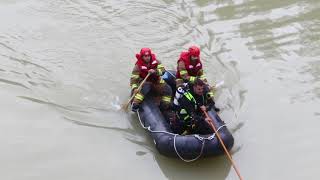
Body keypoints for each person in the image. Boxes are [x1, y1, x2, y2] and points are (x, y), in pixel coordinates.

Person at [175, 45, 219, 112]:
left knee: (206, 89)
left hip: (194, 78)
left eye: (196, 57)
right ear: (190, 55)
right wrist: (196, 80)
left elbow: (201, 73)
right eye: (194, 56)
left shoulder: (198, 62)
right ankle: (177, 104)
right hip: (181, 79)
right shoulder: (182, 61)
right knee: (180, 90)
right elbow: (184, 76)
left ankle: (212, 104)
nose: (195, 58)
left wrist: (205, 82)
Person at [130, 48, 172, 112]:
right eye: (145, 56)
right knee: (144, 89)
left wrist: (155, 71)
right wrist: (135, 88)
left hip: (156, 80)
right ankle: (135, 104)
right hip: (145, 81)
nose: (147, 58)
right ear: (142, 56)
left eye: (148, 56)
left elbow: (163, 71)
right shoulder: (138, 66)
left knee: (168, 90)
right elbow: (133, 79)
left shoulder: (157, 61)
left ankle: (164, 106)